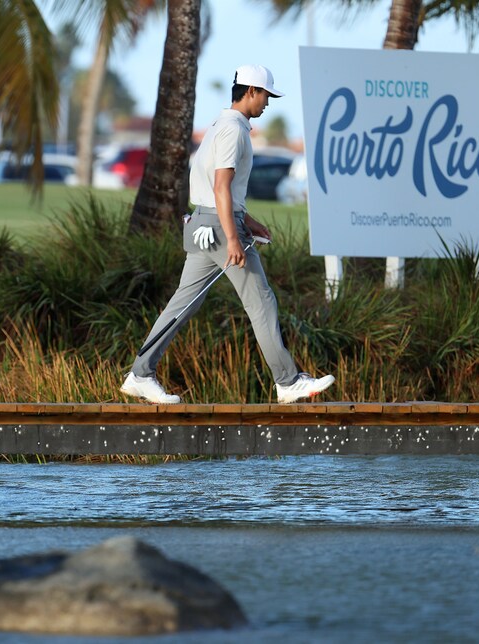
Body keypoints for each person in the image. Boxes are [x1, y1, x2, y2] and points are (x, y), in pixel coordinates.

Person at [120, 65, 335, 405]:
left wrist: (247, 220)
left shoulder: (219, 125)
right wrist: (235, 237)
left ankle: (140, 373)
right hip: (221, 230)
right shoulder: (235, 130)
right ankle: (288, 381)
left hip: (203, 224)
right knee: (261, 302)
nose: (267, 103)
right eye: (265, 95)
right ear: (250, 91)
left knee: (183, 303)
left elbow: (215, 189)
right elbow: (221, 185)